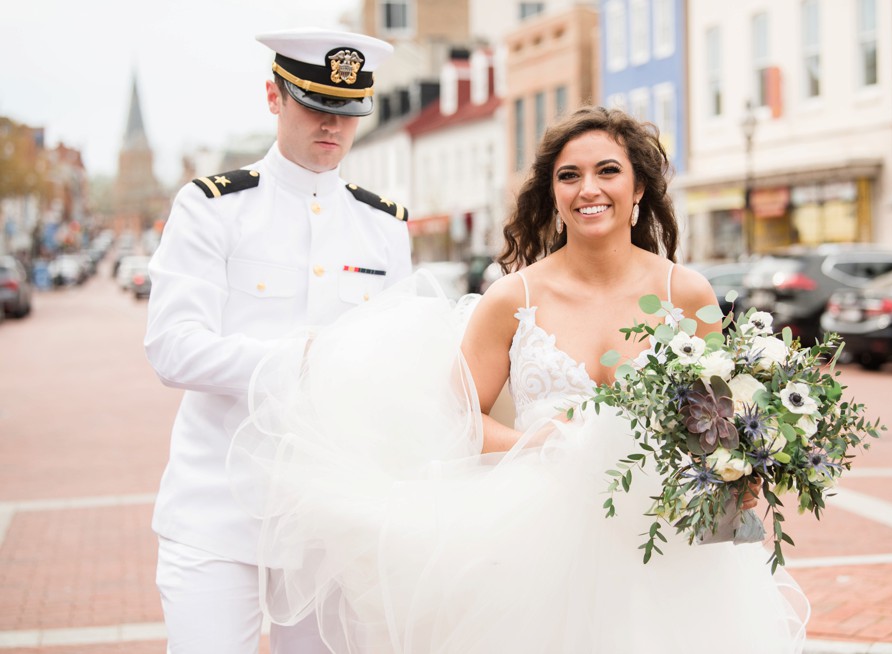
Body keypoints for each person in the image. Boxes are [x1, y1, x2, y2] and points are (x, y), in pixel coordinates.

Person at [229, 106, 809, 652]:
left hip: (666, 545)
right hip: (535, 549)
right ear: (552, 195)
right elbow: (455, 420)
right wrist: (534, 443)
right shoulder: (513, 298)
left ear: (638, 190)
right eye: (569, 176)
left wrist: (741, 473)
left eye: (609, 171)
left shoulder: (687, 292)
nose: (589, 189)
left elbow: (717, 425)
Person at [144, 27, 411, 654]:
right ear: (274, 97)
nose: (332, 127)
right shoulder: (212, 207)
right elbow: (171, 347)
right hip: (215, 514)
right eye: (316, 105)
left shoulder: (383, 226)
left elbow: (398, 363)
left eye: (347, 113)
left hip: (329, 522)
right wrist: (302, 360)